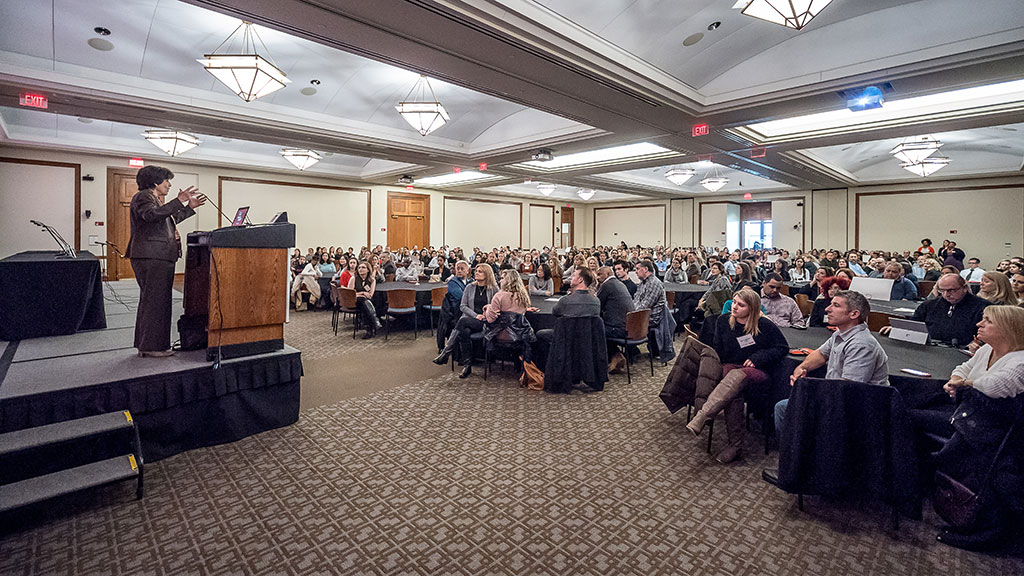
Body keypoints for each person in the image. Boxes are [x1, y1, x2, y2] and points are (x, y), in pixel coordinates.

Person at [929, 306, 1024, 550]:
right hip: (972, 421)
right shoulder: (987, 351)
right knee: (911, 416)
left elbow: (995, 386)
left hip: (1001, 435)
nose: (979, 324)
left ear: (1007, 330)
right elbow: (964, 368)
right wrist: (956, 380)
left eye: (987, 321)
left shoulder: (1020, 362)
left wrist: (964, 384)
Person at [772, 290, 890, 442]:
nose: (827, 309)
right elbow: (821, 354)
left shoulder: (862, 344)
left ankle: (798, 456)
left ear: (854, 314)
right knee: (787, 405)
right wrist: (801, 368)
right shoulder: (841, 334)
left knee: (784, 408)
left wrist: (809, 387)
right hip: (837, 396)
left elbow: (848, 388)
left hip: (857, 406)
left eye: (835, 305)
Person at [687, 290, 789, 463]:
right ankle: (735, 446)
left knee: (734, 377)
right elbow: (719, 350)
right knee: (733, 390)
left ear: (752, 308)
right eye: (734, 302)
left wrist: (758, 358)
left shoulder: (764, 325)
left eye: (741, 305)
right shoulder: (723, 321)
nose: (734, 307)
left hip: (757, 372)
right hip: (731, 369)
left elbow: (781, 348)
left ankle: (703, 416)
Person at [126, 166, 204, 357]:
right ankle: (153, 347)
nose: (169, 184)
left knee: (153, 302)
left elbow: (168, 220)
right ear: (155, 182)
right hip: (152, 255)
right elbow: (152, 216)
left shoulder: (152, 199)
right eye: (166, 181)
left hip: (155, 255)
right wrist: (179, 200)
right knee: (156, 303)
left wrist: (189, 208)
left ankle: (147, 345)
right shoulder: (144, 196)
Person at [883, 273, 989, 345]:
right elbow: (915, 324)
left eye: (951, 290)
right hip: (930, 348)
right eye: (942, 290)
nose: (947, 294)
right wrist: (899, 330)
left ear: (965, 288)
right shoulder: (929, 305)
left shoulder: (983, 307)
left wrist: (977, 343)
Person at [433, 264, 499, 377]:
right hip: (472, 319)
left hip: (485, 321)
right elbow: (463, 306)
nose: (476, 273)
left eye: (480, 271)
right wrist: (475, 315)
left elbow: (497, 308)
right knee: (465, 332)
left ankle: (446, 352)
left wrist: (485, 313)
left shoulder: (494, 289)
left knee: (462, 322)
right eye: (476, 271)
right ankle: (467, 366)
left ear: (487, 274)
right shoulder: (470, 287)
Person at [596, 266, 635, 373]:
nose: (597, 277)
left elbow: (596, 304)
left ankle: (601, 363)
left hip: (619, 329)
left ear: (608, 274)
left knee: (594, 328)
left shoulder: (607, 285)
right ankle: (616, 356)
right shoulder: (620, 284)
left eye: (600, 274)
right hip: (629, 327)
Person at [347, 261, 383, 338]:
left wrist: (362, 295)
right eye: (359, 267)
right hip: (354, 301)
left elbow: (370, 294)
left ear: (368, 270)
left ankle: (369, 329)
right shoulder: (353, 278)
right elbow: (349, 294)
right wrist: (362, 293)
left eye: (363, 268)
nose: (360, 269)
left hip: (367, 301)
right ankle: (375, 321)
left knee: (364, 304)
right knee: (362, 300)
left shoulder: (372, 280)